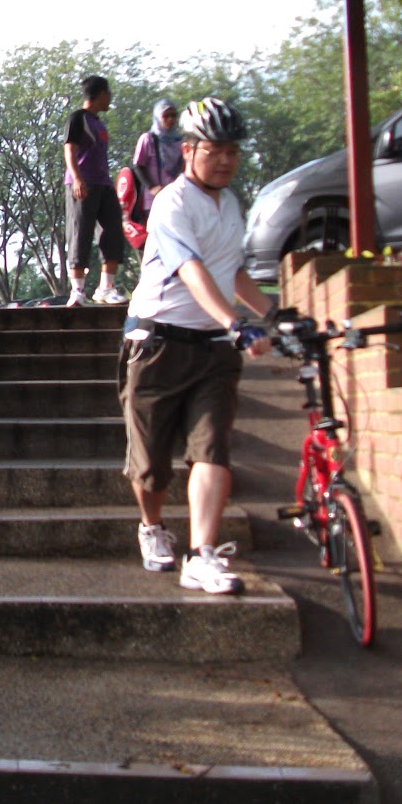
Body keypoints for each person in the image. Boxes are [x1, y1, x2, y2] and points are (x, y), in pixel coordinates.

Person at [119, 97, 284, 597]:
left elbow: (229, 269)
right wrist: (237, 323)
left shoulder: (230, 204)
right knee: (151, 468)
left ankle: (202, 554)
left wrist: (273, 313)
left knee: (211, 449)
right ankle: (152, 527)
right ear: (188, 150)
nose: (226, 161)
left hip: (213, 349)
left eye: (233, 151)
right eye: (215, 150)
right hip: (158, 344)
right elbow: (191, 270)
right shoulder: (171, 203)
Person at [63, 75, 126, 305]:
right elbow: (69, 150)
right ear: (101, 94)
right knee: (81, 233)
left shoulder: (99, 122)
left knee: (113, 232)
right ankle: (77, 291)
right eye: (109, 93)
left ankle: (106, 288)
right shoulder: (78, 119)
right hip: (82, 183)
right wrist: (78, 179)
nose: (110, 98)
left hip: (104, 184)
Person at [131, 98, 185, 217]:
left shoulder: (180, 142)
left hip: (177, 199)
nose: (170, 119)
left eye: (173, 115)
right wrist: (152, 187)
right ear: (158, 117)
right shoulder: (148, 139)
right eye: (166, 116)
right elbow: (138, 165)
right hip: (154, 200)